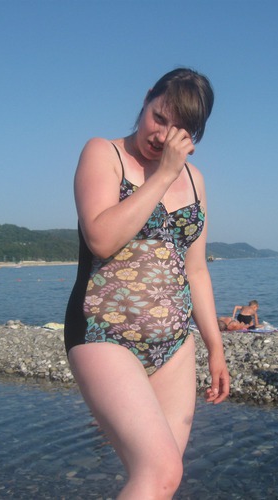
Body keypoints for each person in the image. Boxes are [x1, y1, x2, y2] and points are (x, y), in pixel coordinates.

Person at [64, 67, 230, 498]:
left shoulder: (195, 180)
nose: (161, 135)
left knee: (162, 479)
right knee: (160, 470)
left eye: (178, 129)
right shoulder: (104, 153)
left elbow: (196, 270)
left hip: (175, 346)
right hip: (103, 334)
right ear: (146, 98)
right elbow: (101, 239)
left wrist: (215, 348)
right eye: (159, 117)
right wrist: (163, 175)